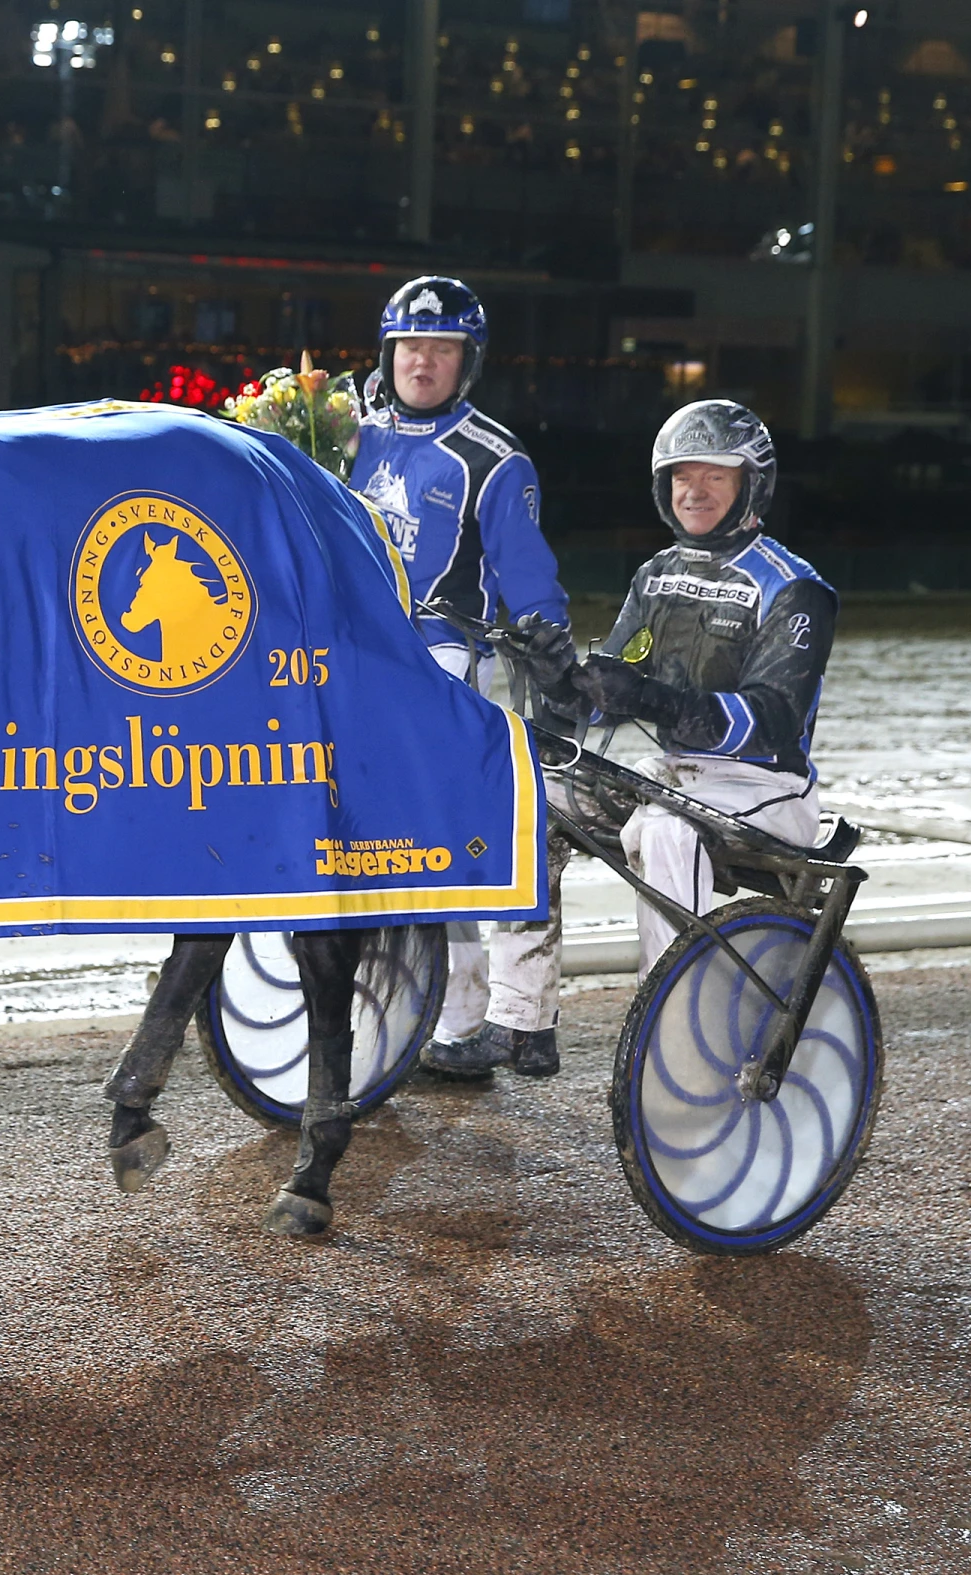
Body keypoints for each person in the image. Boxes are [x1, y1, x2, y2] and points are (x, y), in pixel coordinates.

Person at [347, 275, 573, 1082]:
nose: (423, 362)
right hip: (348, 653)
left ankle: (475, 1017)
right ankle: (429, 1011)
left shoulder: (496, 457)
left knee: (426, 839)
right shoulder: (348, 438)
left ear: (465, 362)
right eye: (411, 346)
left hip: (442, 658)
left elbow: (527, 573)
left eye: (441, 349)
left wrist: (550, 633)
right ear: (388, 353)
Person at [566, 399, 837, 973]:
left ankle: (677, 1014)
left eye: (715, 475)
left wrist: (651, 698)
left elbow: (771, 717)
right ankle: (519, 1020)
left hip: (769, 787)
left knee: (663, 828)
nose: (694, 490)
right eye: (682, 476)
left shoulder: (794, 588)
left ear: (752, 485)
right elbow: (609, 690)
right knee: (540, 801)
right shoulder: (656, 575)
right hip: (676, 776)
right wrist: (558, 675)